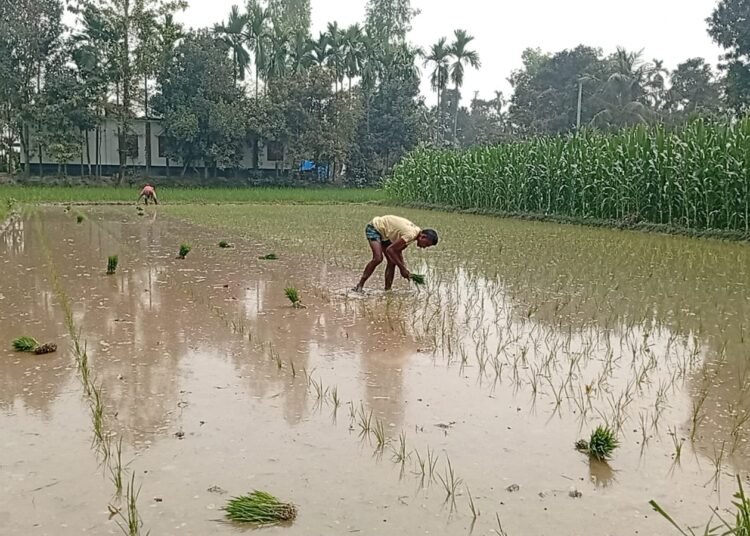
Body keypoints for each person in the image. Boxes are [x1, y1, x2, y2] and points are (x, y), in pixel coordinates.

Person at [354, 215, 438, 292]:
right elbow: (390, 250)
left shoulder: (415, 234)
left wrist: (404, 268)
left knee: (392, 262)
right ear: (423, 236)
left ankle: (388, 290)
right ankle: (360, 285)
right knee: (378, 258)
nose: (424, 247)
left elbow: (398, 251)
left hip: (386, 234)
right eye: (426, 244)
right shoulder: (411, 234)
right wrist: (402, 269)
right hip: (375, 228)